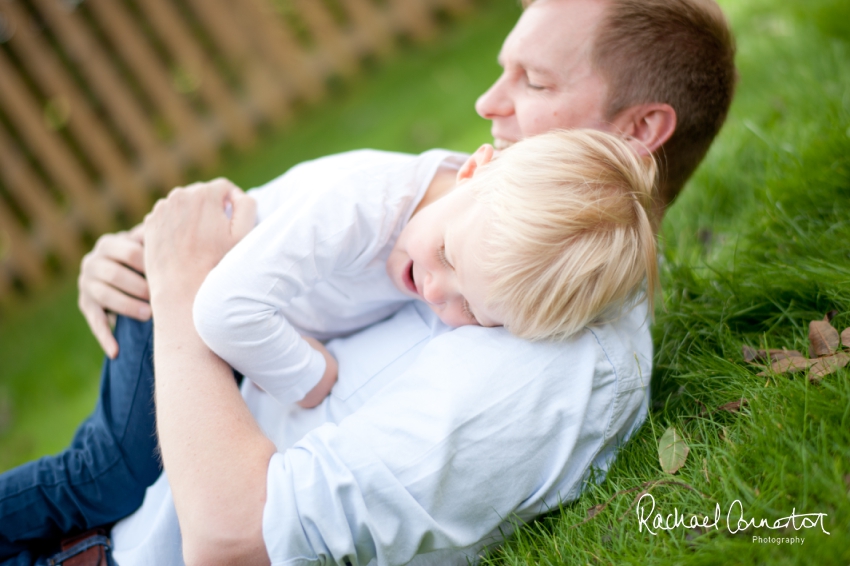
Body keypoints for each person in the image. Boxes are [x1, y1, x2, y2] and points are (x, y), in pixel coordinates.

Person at [0, 0, 737, 564]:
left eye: (535, 81)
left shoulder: (550, 364)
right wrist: (134, 259)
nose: (487, 103)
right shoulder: (449, 195)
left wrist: (177, 294)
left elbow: (236, 542)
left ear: (639, 132)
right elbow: (216, 241)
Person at [193, 131, 658, 408]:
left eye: (474, 312)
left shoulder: (467, 222)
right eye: (448, 254)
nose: (437, 292)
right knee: (118, 475)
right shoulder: (357, 206)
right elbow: (221, 310)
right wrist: (312, 379)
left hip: (229, 331)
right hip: (165, 307)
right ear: (473, 170)